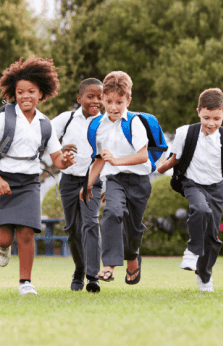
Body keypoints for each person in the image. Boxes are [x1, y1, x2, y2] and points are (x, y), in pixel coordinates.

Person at [157, 88, 223, 292]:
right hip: (192, 183)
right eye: (206, 117)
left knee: (212, 237)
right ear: (198, 111)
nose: (211, 123)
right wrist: (161, 167)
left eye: (216, 118)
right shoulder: (185, 133)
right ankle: (191, 251)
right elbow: (175, 159)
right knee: (201, 210)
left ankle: (204, 275)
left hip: (217, 188)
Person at [0, 55, 75, 295]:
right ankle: (3, 247)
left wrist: (65, 160)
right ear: (14, 93)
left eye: (30, 91)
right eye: (20, 92)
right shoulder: (3, 118)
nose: (25, 96)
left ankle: (25, 283)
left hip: (29, 183)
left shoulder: (45, 124)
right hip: (3, 179)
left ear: (41, 94)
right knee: (3, 238)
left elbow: (56, 160)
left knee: (25, 232)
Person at [80, 71, 151, 286]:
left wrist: (116, 160)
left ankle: (132, 258)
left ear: (128, 100)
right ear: (102, 99)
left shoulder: (134, 123)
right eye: (109, 101)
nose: (113, 107)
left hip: (139, 181)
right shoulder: (98, 126)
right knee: (112, 212)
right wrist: (88, 183)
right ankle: (109, 266)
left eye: (119, 102)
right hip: (115, 181)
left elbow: (143, 155)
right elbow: (100, 159)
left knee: (133, 228)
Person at [52, 78, 104, 293]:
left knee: (90, 224)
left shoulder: (106, 123)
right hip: (68, 181)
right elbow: (46, 138)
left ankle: (93, 276)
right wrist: (60, 148)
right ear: (79, 98)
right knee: (73, 230)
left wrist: (103, 185)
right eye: (90, 96)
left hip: (93, 180)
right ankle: (79, 269)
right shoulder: (67, 118)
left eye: (100, 97)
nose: (95, 101)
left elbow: (107, 157)